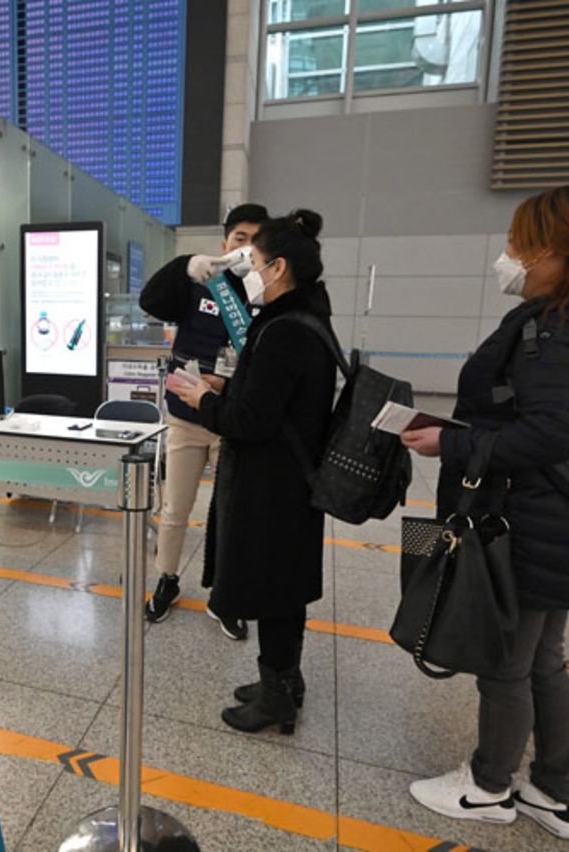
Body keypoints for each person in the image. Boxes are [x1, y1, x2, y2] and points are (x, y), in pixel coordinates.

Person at [400, 183, 569, 841]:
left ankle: (489, 786)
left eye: (516, 245)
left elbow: (553, 432)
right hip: (556, 517)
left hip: (526, 521)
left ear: (551, 252)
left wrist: (453, 441)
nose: (506, 257)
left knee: (508, 664)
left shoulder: (553, 327)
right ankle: (552, 792)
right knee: (543, 659)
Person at [168, 209, 336, 735]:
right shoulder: (308, 318)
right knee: (283, 590)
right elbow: (276, 402)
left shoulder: (284, 331)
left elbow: (250, 422)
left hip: (271, 488)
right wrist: (228, 388)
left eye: (256, 263)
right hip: (290, 481)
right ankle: (283, 681)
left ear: (279, 267)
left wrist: (202, 397)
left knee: (271, 590)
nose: (249, 273)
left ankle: (277, 698)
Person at [138, 203, 269, 639]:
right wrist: (185, 266)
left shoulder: (265, 295)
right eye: (239, 238)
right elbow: (150, 300)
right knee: (175, 508)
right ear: (224, 244)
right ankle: (167, 579)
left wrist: (228, 387)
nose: (246, 248)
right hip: (187, 418)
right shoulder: (200, 285)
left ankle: (224, 597)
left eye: (255, 241)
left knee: (231, 514)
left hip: (234, 421)